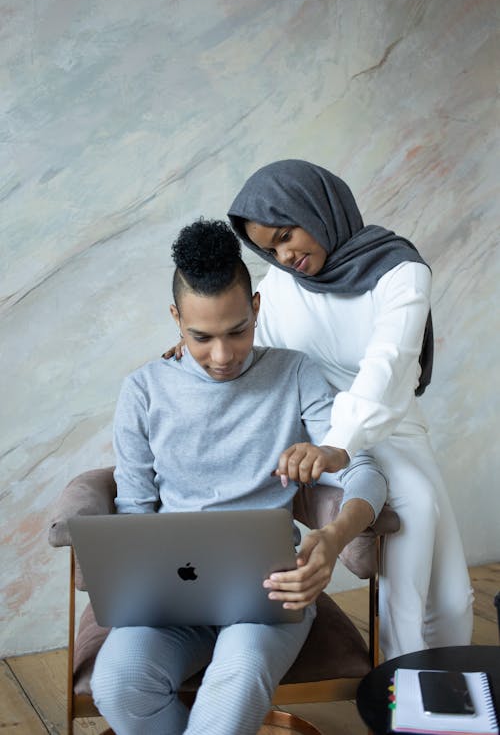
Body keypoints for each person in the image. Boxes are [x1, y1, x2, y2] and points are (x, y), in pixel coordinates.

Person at [91, 219, 387, 735]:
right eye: (200, 337)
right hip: (170, 600)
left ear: (256, 307)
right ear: (175, 319)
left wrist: (333, 538)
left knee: (238, 679)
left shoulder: (295, 373)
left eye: (238, 331)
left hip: (271, 594)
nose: (223, 356)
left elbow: (366, 472)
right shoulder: (142, 390)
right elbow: (135, 512)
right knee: (118, 683)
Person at [225, 158, 474, 659]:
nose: (284, 254)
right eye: (269, 248)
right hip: (325, 442)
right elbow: (250, 353)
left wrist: (340, 444)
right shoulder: (274, 292)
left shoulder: (401, 271)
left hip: (390, 431)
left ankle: (448, 701)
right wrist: (189, 351)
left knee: (453, 600)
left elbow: (390, 363)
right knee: (417, 511)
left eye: (287, 234)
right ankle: (402, 692)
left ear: (317, 207)